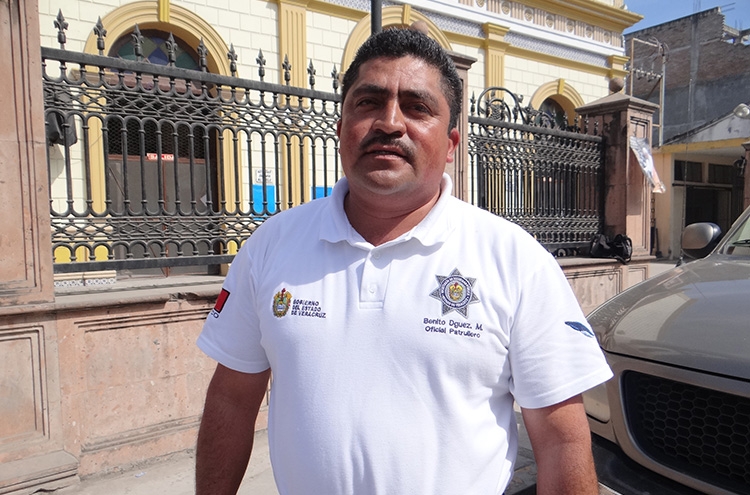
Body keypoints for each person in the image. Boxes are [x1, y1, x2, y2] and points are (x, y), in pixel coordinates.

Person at [195, 27, 612, 495]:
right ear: (340, 129)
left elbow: (560, 440)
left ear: (451, 144)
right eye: (369, 102)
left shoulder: (516, 260)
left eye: (417, 108)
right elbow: (231, 400)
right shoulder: (271, 245)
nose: (389, 123)